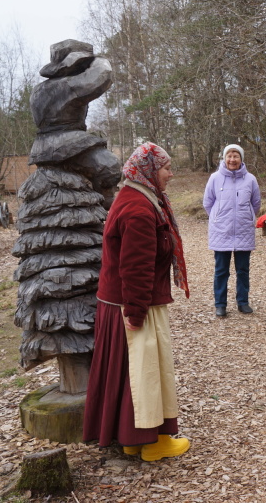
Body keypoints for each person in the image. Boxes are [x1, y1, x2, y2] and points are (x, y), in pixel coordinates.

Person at [83, 142, 191, 461]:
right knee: (143, 373)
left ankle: (132, 439)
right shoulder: (139, 208)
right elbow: (136, 266)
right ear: (149, 170)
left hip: (123, 303)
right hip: (129, 305)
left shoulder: (137, 197)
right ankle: (151, 443)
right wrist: (135, 312)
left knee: (134, 372)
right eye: (167, 168)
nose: (171, 174)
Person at [203, 144, 261, 318]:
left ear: (241, 159)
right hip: (221, 231)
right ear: (224, 158)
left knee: (243, 270)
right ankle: (220, 304)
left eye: (236, 156)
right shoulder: (215, 178)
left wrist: (246, 217)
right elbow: (207, 203)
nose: (232, 159)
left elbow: (256, 203)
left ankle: (243, 302)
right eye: (229, 156)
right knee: (221, 270)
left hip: (243, 231)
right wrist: (217, 217)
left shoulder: (250, 179)